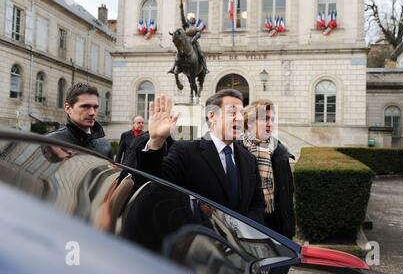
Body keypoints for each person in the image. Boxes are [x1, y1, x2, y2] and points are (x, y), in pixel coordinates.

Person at [122, 90, 265, 251]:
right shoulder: (186, 151)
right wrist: (156, 141)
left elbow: (257, 203)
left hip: (239, 255)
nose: (239, 118)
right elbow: (153, 186)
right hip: (197, 253)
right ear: (212, 116)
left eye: (241, 113)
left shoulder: (249, 160)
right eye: (232, 112)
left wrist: (242, 233)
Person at [241, 99, 296, 239]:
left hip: (276, 227)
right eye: (265, 119)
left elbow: (288, 195)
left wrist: (289, 230)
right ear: (250, 122)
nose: (270, 124)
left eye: (272, 119)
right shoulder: (236, 151)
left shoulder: (280, 150)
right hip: (246, 227)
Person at [47, 83, 112, 159]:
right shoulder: (50, 143)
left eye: (95, 107)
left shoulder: (105, 145)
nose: (92, 113)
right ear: (67, 108)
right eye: (85, 106)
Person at [169, 3, 209, 74]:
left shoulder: (196, 28)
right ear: (189, 21)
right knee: (178, 54)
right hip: (186, 42)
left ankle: (205, 68)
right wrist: (181, 8)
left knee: (201, 54)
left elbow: (198, 35)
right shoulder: (186, 27)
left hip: (194, 42)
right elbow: (182, 18)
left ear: (194, 21)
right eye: (191, 19)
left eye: (193, 19)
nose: (192, 20)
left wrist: (194, 39)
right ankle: (174, 67)